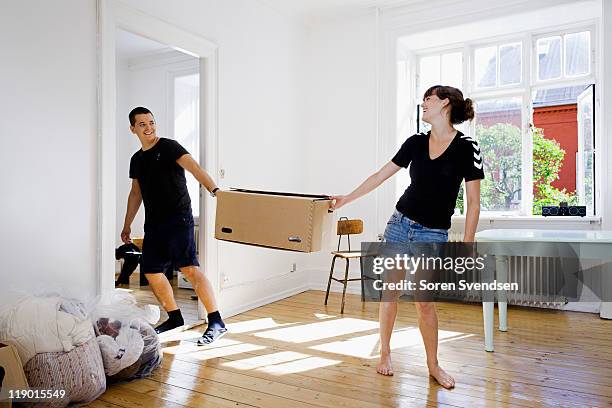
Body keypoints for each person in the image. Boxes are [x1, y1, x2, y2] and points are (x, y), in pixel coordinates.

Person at [331, 85, 484, 388]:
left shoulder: (467, 147)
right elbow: (379, 175)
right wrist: (346, 199)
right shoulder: (415, 142)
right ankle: (385, 354)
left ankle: (433, 365)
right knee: (390, 294)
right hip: (399, 225)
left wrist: (467, 246)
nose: (423, 103)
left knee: (425, 302)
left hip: (433, 233)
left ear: (446, 104)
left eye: (429, 98)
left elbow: (474, 201)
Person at [121, 106, 226, 345]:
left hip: (178, 218)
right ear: (133, 129)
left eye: (151, 122)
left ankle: (216, 321)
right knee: (151, 270)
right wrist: (127, 224)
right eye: (142, 124)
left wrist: (215, 190)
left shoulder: (169, 147)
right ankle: (175, 317)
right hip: (154, 223)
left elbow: (195, 168)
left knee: (189, 268)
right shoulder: (136, 159)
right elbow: (135, 193)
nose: (149, 128)